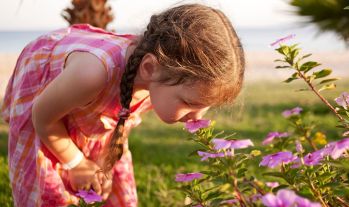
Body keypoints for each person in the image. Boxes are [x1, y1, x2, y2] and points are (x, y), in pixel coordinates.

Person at [0, 3, 245, 207]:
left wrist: (102, 164)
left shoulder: (156, 77)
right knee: (48, 194)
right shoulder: (92, 74)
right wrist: (76, 162)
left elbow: (120, 119)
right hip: (47, 107)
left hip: (88, 104)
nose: (197, 117)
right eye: (190, 103)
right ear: (150, 69)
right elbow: (42, 117)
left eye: (206, 106)